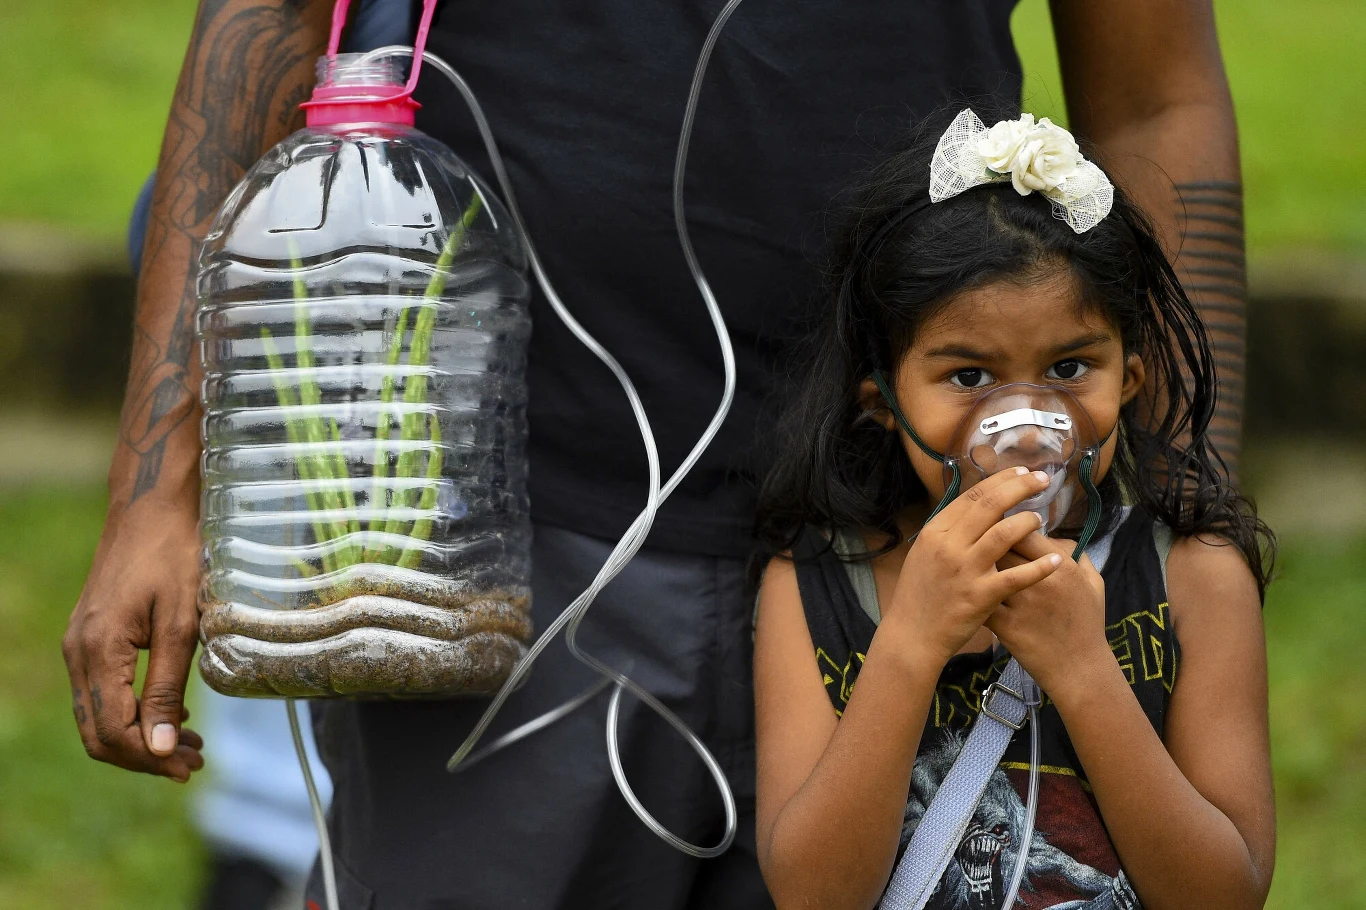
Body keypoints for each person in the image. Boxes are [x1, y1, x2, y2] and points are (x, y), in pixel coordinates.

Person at [62, 2, 1252, 907]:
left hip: (916, 545)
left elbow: (1153, 97)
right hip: (505, 534)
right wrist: (158, 481)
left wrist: (1184, 518)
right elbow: (270, 17)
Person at [751, 108, 1274, 909]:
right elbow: (812, 896)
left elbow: (1223, 896)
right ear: (884, 403)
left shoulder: (1197, 578)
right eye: (968, 377)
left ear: (1128, 381)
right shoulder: (814, 585)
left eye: (1069, 367)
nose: (1026, 422)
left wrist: (1082, 668)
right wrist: (912, 641)